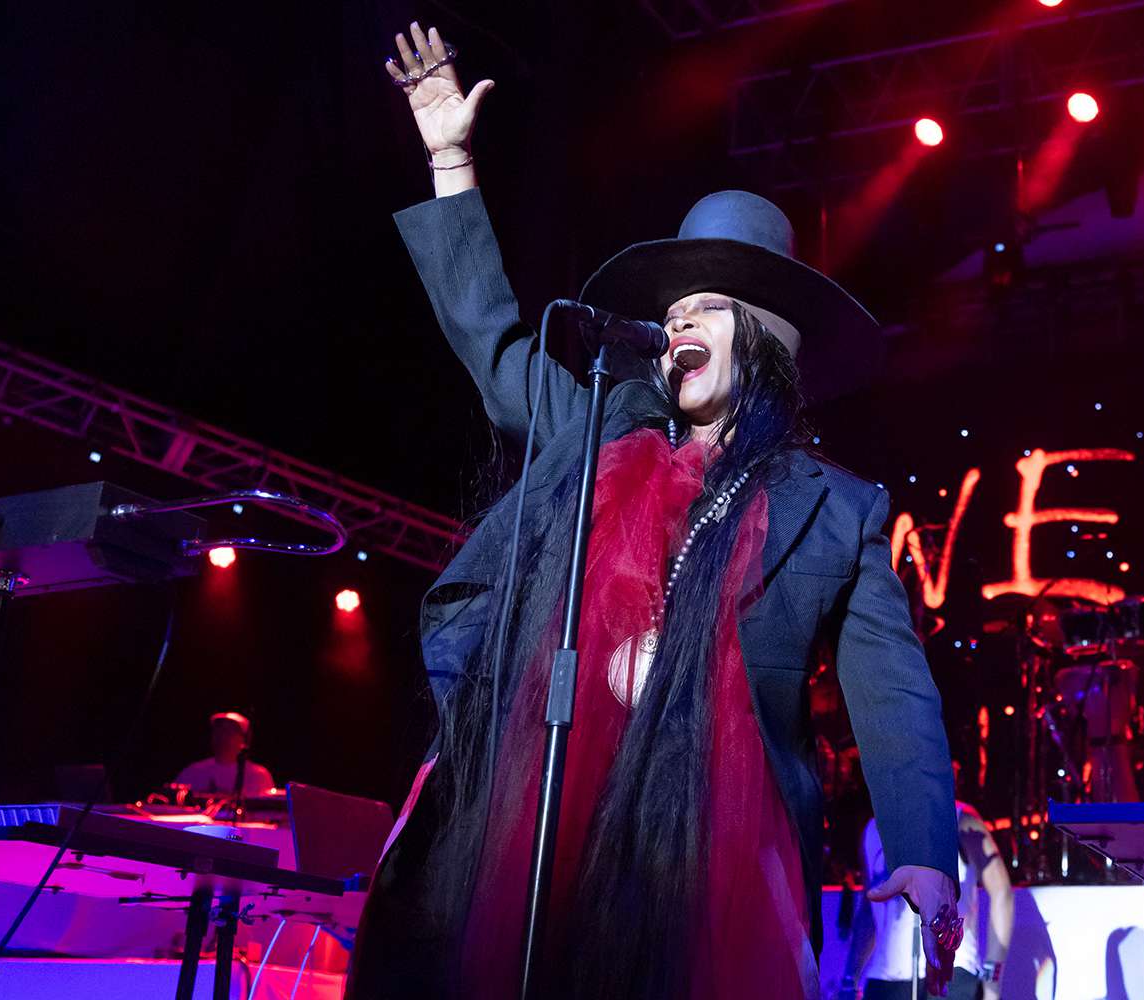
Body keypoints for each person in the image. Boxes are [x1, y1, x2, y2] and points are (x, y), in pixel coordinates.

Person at [349, 23, 960, 1000]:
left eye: (706, 306)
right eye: (672, 309)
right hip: (555, 819)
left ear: (762, 343)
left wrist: (928, 850)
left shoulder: (837, 510)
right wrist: (453, 162)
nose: (679, 322)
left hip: (715, 849)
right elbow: (488, 339)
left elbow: (891, 687)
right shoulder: (599, 430)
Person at [840, 802, 1014, 999]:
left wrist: (992, 981)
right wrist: (850, 978)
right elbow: (869, 910)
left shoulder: (959, 818)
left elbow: (1001, 890)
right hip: (885, 980)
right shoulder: (873, 829)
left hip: (951, 972)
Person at [172, 711, 275, 797]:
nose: (222, 736)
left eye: (229, 731)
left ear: (244, 739)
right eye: (218, 730)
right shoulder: (192, 771)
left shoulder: (259, 776)